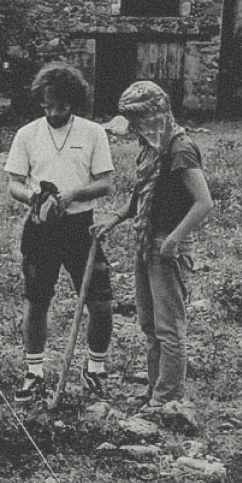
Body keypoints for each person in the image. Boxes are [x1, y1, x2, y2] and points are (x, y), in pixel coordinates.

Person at [94, 80, 213, 413]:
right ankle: (154, 390)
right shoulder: (150, 147)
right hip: (146, 240)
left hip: (168, 244)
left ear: (155, 115)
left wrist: (174, 239)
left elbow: (203, 203)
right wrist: (113, 220)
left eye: (138, 119)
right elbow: (142, 193)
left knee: (169, 327)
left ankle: (169, 398)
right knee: (149, 325)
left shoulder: (180, 148)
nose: (133, 127)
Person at [4, 63, 116, 403]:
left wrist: (73, 195)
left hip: (82, 227)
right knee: (36, 300)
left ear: (74, 102)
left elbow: (106, 183)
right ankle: (34, 373)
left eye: (61, 106)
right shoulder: (27, 134)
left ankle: (95, 369)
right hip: (40, 229)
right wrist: (35, 198)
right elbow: (14, 184)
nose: (53, 112)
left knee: (101, 301)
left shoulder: (93, 133)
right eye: (48, 105)